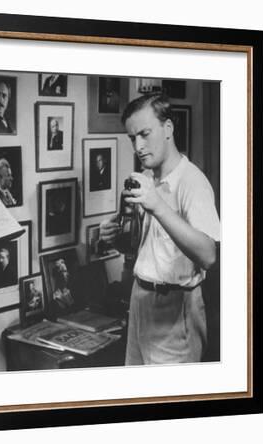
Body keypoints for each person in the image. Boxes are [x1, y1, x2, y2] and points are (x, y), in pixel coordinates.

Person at [100, 93, 220, 365]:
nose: (138, 146)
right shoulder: (146, 178)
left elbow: (209, 255)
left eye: (144, 134)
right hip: (139, 299)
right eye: (132, 138)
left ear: (168, 129)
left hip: (175, 308)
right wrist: (117, 238)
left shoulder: (193, 183)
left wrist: (158, 206)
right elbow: (145, 248)